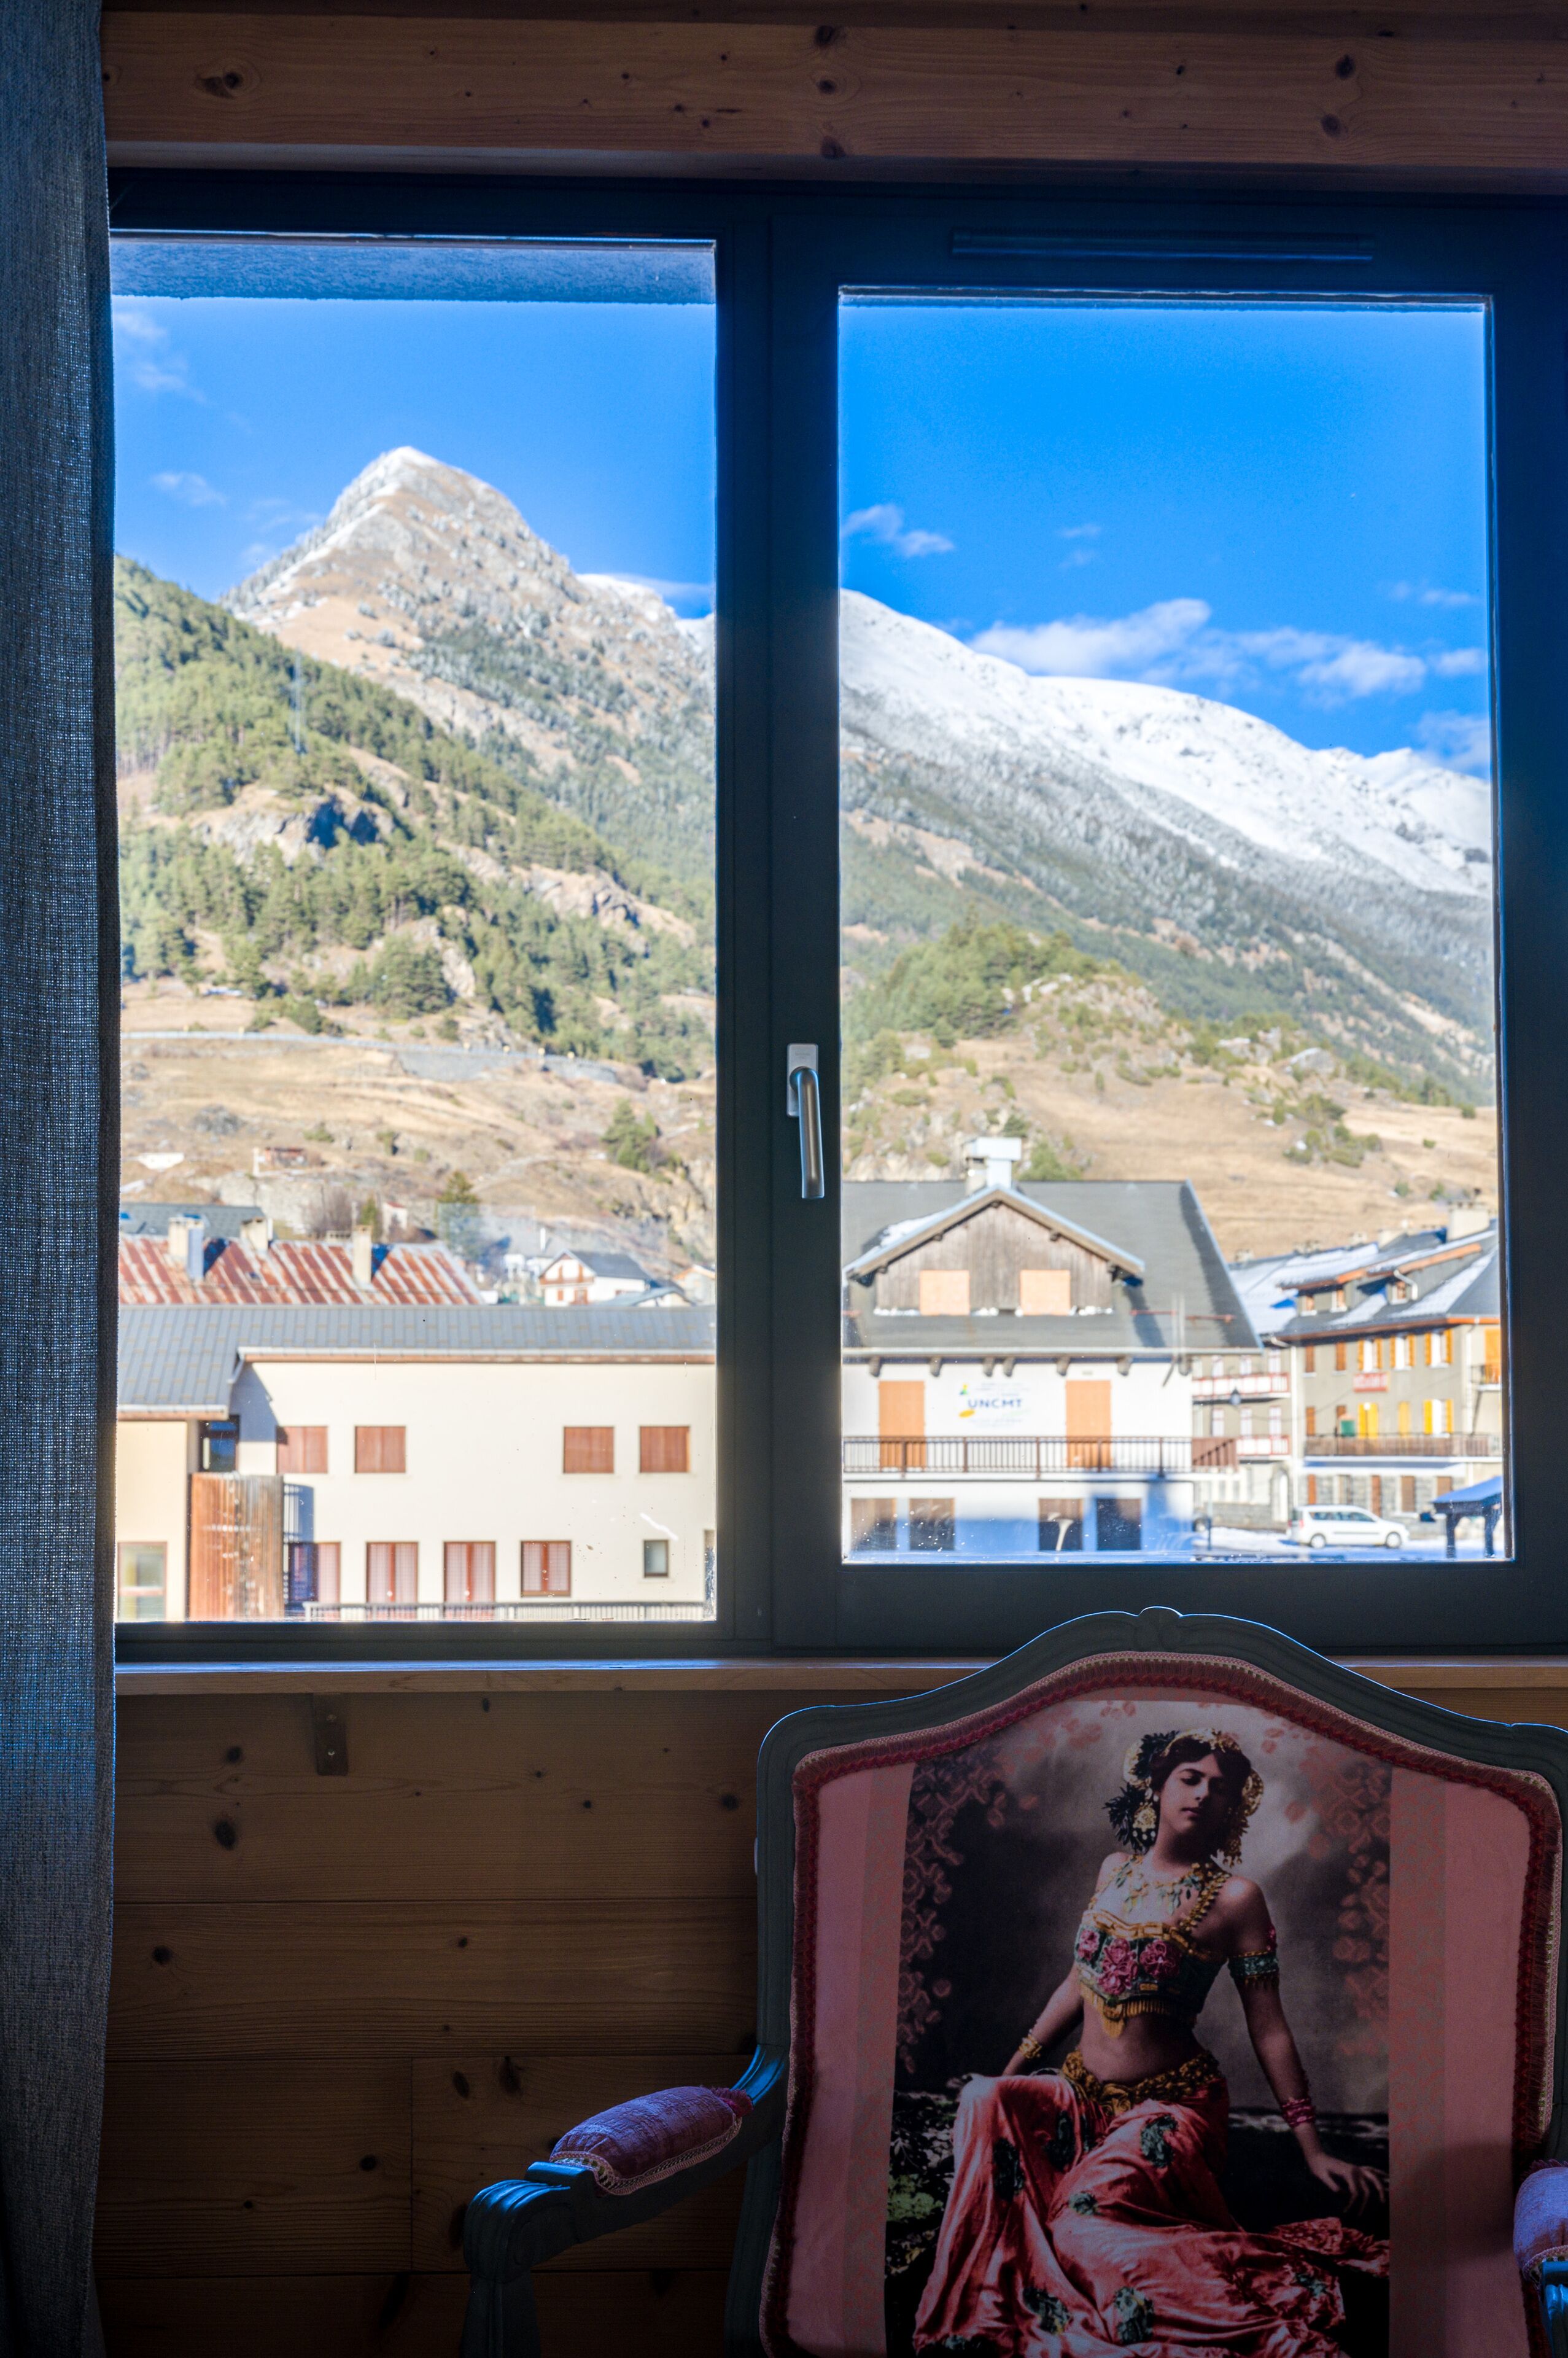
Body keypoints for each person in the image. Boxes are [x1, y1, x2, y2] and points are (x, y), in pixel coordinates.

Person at [912, 1729, 1386, 2356]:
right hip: (1082, 2097)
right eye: (1190, 1778)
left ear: (1231, 1810)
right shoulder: (1114, 1870)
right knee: (981, 2101)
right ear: (1157, 1787)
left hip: (1169, 2109)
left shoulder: (1236, 1899)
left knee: (1079, 2227)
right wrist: (1009, 2075)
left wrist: (1312, 2149)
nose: (1203, 1794)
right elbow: (1078, 1982)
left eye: (1220, 1789)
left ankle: (1252, 2316)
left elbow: (1267, 2025)